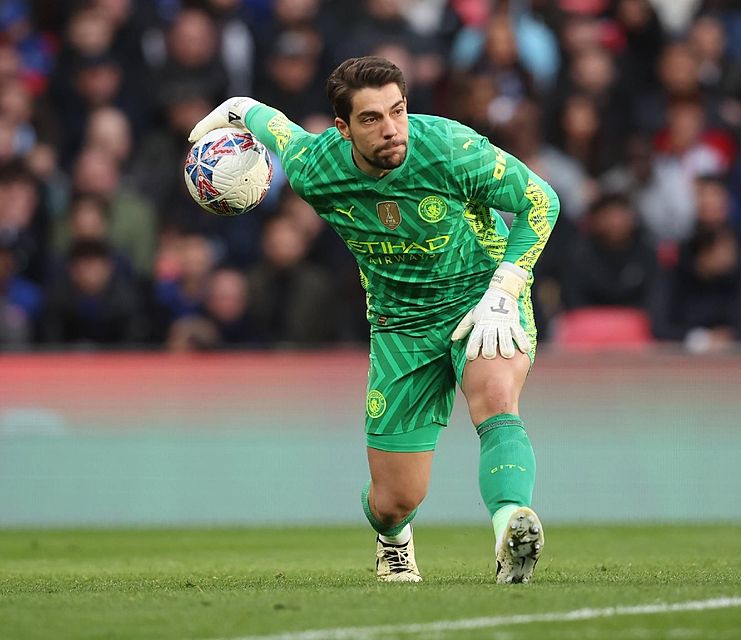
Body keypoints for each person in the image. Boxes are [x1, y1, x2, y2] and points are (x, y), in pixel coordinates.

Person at [187, 56, 560, 584]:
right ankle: (393, 541)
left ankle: (511, 527)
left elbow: (541, 201)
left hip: (482, 299)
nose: (391, 130)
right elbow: (281, 130)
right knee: (394, 499)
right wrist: (241, 109)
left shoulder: (450, 149)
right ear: (342, 129)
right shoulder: (317, 167)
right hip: (399, 325)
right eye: (370, 119)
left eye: (398, 111)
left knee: (496, 397)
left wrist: (505, 289)